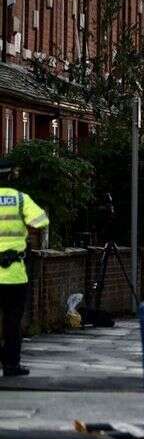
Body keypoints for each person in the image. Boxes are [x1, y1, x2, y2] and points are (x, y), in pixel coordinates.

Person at [0, 160, 49, 377]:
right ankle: (11, 365)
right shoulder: (20, 199)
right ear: (12, 176)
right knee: (12, 321)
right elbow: (41, 221)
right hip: (14, 274)